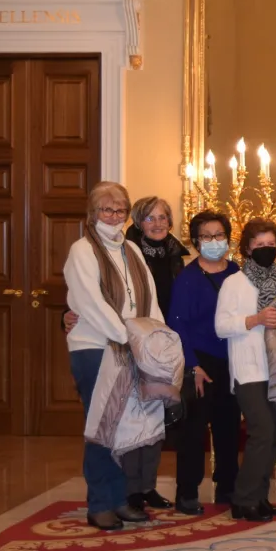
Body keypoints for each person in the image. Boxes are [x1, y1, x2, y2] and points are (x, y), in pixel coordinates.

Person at [63, 181, 162, 530]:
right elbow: (91, 303)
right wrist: (127, 337)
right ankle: (100, 502)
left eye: (120, 209)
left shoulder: (131, 250)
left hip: (131, 348)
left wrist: (156, 339)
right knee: (102, 426)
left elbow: (149, 298)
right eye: (107, 209)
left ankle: (121, 499)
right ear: (93, 214)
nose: (114, 215)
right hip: (96, 347)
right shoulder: (82, 251)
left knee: (125, 426)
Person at [215, 219, 276, 522]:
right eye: (258, 245)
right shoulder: (233, 283)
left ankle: (260, 497)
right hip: (249, 370)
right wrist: (255, 319)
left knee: (274, 436)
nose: (265, 250)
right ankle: (243, 498)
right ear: (247, 248)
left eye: (270, 245)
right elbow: (221, 327)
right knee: (261, 432)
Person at [169, 211, 242, 515]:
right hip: (200, 361)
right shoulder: (187, 278)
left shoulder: (236, 271)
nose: (214, 241)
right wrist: (192, 365)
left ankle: (227, 488)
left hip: (232, 360)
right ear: (197, 241)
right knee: (194, 431)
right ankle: (187, 492)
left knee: (229, 429)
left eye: (219, 235)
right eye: (207, 236)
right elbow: (177, 324)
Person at [119, 196, 188, 512]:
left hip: (163, 344)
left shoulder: (176, 254)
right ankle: (130, 488)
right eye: (149, 218)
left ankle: (148, 486)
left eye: (163, 217)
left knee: (157, 416)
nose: (158, 223)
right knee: (132, 417)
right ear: (137, 222)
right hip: (133, 341)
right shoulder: (125, 254)